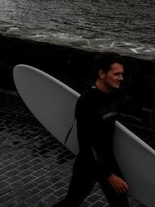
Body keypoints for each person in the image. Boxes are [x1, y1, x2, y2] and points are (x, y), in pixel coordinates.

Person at [54, 52, 130, 207]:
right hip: (88, 163)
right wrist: (109, 175)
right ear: (102, 74)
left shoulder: (114, 96)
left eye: (121, 74)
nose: (121, 78)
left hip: (108, 160)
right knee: (71, 202)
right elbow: (85, 143)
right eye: (116, 74)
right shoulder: (87, 102)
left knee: (121, 204)